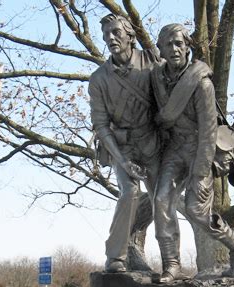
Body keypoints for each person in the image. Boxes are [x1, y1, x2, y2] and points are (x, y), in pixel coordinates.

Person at [151, 24, 234, 283]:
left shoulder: (201, 83)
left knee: (197, 211)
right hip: (174, 149)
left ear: (187, 47)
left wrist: (198, 172)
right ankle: (171, 264)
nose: (174, 49)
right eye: (168, 44)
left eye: (179, 43)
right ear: (160, 50)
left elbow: (208, 131)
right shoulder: (157, 78)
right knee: (161, 201)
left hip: (199, 150)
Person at [88, 14, 159, 273]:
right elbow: (101, 125)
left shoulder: (152, 60)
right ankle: (115, 256)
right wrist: (122, 160)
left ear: (130, 35)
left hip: (153, 142)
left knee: (162, 198)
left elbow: (178, 84)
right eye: (106, 34)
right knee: (129, 192)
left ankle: (171, 262)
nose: (110, 38)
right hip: (121, 146)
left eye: (116, 32)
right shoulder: (98, 79)